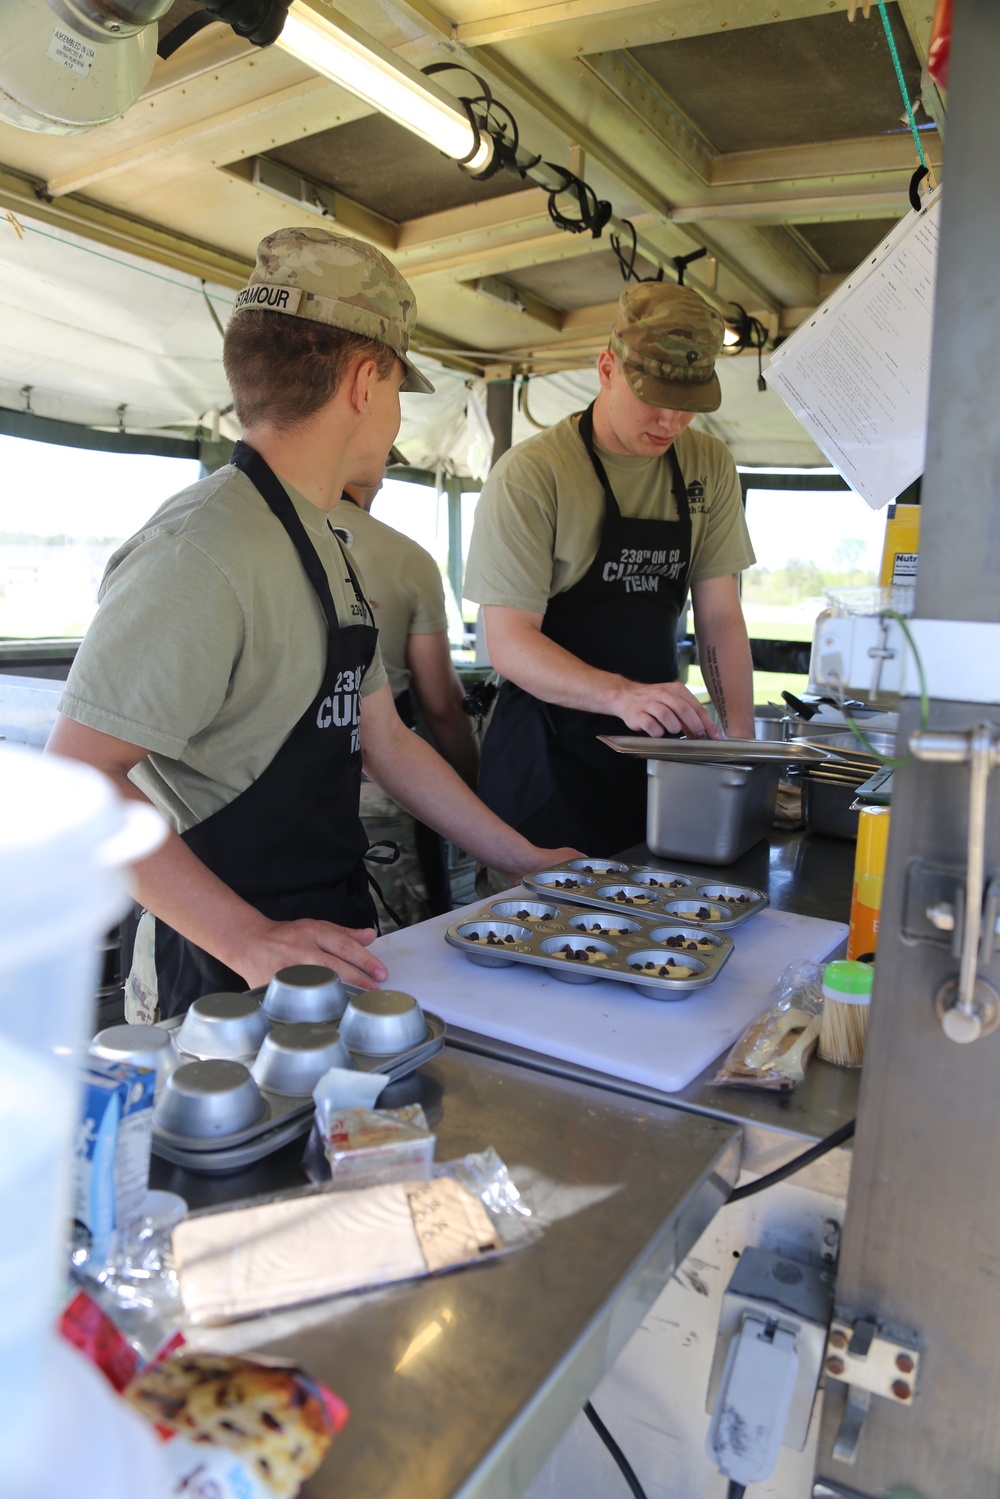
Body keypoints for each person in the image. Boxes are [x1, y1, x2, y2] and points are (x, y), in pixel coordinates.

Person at [46, 226, 575, 1020]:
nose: (395, 419)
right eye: (399, 390)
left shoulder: (323, 538)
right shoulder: (202, 550)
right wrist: (249, 938)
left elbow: (386, 740)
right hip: (217, 969)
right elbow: (80, 774)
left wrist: (516, 855)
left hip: (326, 940)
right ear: (365, 382)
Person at [464, 280, 756, 856]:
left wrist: (738, 745)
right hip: (543, 765)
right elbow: (508, 642)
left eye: (689, 403)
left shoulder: (708, 463)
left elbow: (720, 616)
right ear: (606, 368)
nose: (671, 421)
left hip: (650, 765)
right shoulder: (533, 475)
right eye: (653, 396)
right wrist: (622, 696)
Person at [330, 478, 478, 926]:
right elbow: (442, 708)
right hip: (379, 791)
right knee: (393, 945)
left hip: (267, 792)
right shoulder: (407, 558)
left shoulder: (255, 537)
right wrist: (475, 788)